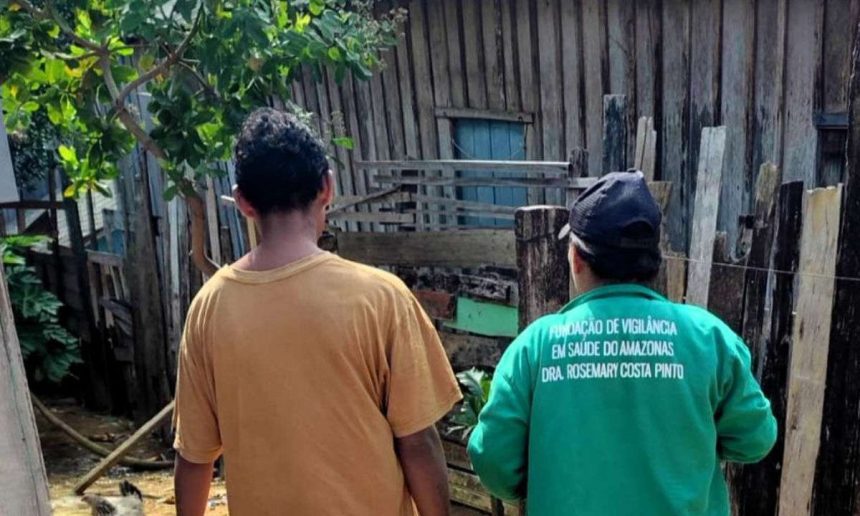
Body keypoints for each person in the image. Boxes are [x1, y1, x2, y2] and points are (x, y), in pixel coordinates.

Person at [173, 108, 461, 515]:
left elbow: (194, 458)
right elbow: (417, 442)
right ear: (327, 186)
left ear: (242, 202)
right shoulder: (380, 298)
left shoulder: (210, 308)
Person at [467, 171, 777, 515]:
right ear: (652, 260)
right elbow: (756, 438)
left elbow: (493, 460)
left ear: (577, 259)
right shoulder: (709, 339)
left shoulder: (534, 348)